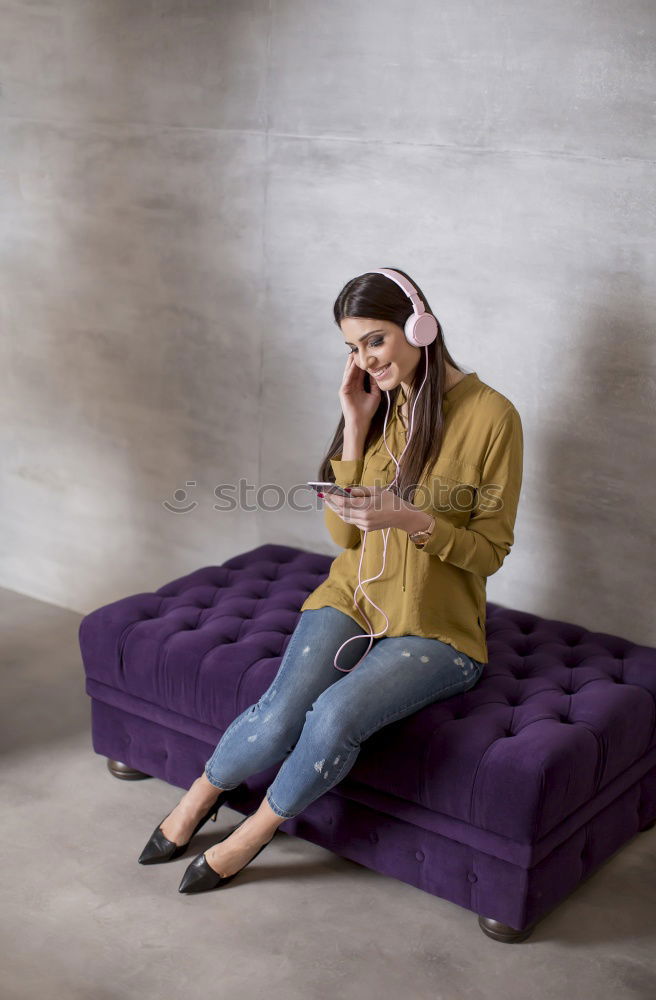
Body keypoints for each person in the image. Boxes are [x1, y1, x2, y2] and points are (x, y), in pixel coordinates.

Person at [137, 267, 524, 894]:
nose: (366, 360)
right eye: (352, 348)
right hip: (353, 595)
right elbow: (345, 539)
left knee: (332, 717)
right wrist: (353, 421)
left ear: (419, 326)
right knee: (279, 713)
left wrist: (410, 519)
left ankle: (253, 833)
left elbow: (490, 552)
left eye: (375, 340)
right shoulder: (381, 402)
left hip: (438, 630)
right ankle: (199, 798)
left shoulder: (493, 417)